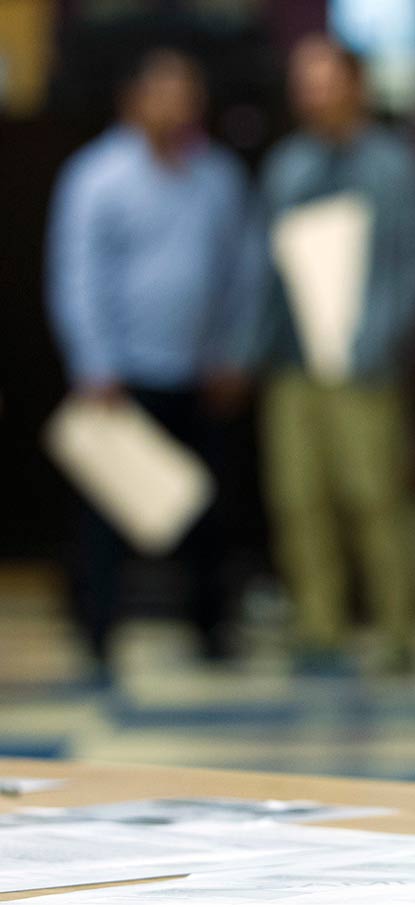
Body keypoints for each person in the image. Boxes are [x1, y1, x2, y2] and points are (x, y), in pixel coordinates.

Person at [46, 48, 261, 679]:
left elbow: (242, 272)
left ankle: (211, 626)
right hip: (122, 373)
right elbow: (77, 276)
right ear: (134, 99)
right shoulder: (96, 177)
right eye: (164, 93)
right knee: (108, 513)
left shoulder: (217, 177)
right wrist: (94, 363)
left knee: (205, 506)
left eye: (188, 93)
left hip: (200, 370)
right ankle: (98, 631)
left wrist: (234, 353)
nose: (178, 106)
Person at [251, 36, 415, 675]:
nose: (313, 95)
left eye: (325, 82)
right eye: (304, 83)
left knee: (374, 500)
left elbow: (412, 267)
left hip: (365, 363)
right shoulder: (286, 166)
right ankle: (318, 631)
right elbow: (262, 264)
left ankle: (397, 632)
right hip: (293, 362)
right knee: (299, 501)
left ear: (355, 86)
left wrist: (380, 340)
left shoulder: (392, 165)